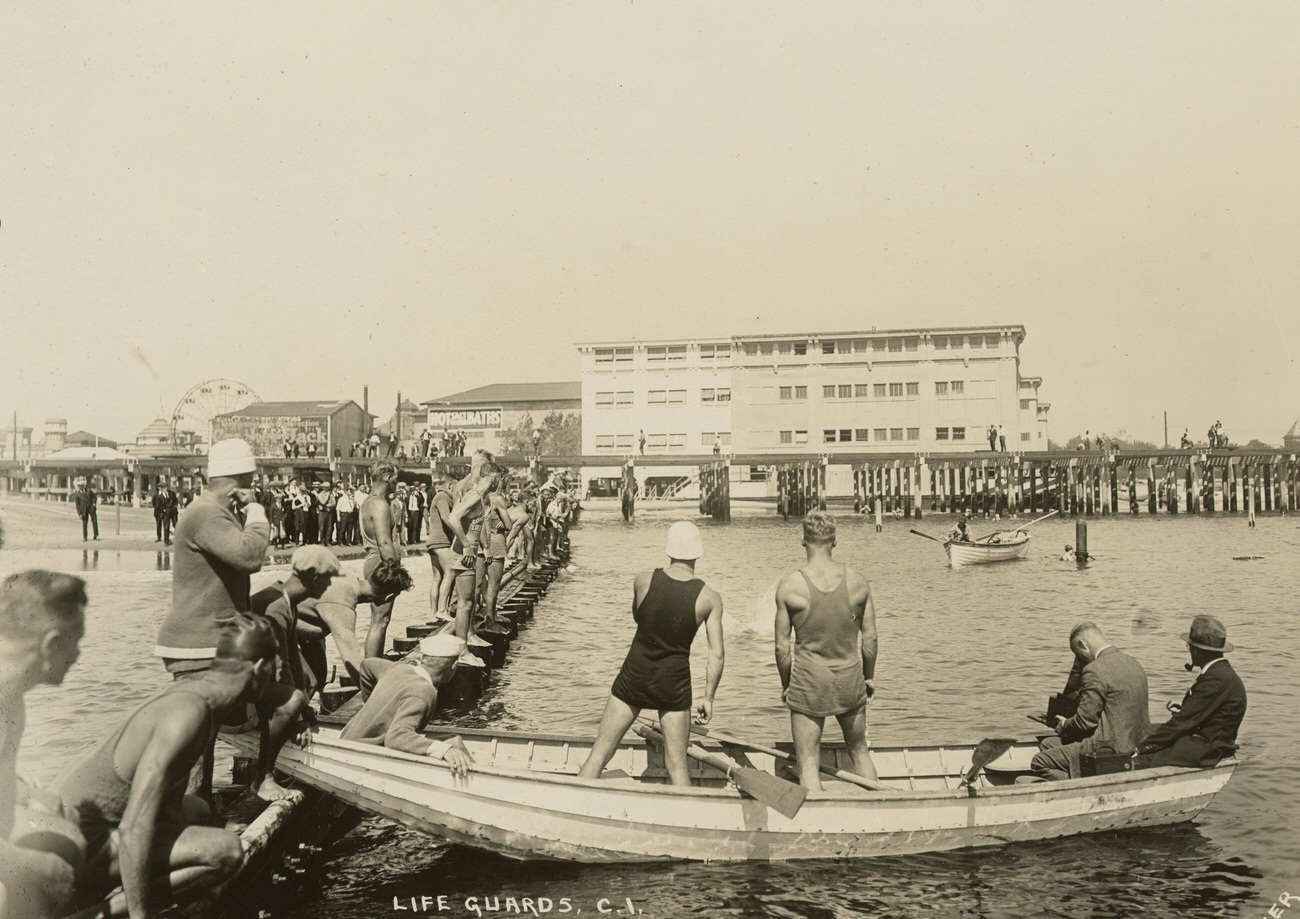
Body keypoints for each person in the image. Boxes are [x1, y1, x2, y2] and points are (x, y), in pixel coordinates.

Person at [59, 617, 276, 919]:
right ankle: (95, 914)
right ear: (261, 667)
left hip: (84, 831)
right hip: (77, 845)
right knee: (227, 851)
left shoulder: (201, 698)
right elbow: (135, 827)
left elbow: (169, 804)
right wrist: (140, 914)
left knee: (198, 809)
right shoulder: (188, 714)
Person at [577, 521, 724, 786]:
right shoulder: (710, 598)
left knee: (600, 752)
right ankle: (690, 821)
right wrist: (709, 697)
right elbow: (717, 655)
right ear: (697, 553)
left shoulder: (643, 580)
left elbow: (639, 617)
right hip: (674, 683)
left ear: (669, 549)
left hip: (635, 673)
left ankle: (573, 806)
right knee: (677, 765)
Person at [0, 572, 86, 919]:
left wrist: (19, 789)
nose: (78, 653)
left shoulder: (10, 694)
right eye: (76, 641)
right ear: (51, 643)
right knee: (43, 867)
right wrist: (23, 863)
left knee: (64, 837)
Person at [774, 512, 878, 790]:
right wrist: (868, 678)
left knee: (807, 763)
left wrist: (787, 684)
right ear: (835, 541)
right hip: (850, 677)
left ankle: (816, 823)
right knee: (859, 751)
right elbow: (870, 639)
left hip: (809, 681)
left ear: (803, 542)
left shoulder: (790, 585)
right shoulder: (858, 582)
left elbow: (781, 646)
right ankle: (876, 810)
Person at [339, 634, 474, 777]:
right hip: (363, 754)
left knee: (454, 740)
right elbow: (396, 737)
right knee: (451, 746)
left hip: (348, 740)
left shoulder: (399, 668)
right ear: (454, 666)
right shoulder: (423, 693)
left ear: (422, 659)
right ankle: (476, 780)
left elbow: (367, 665)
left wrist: (372, 701)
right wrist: (445, 750)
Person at [1030, 623, 1151, 781]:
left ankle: (1081, 786)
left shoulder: (1094, 669)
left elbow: (1085, 722)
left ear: (1082, 645)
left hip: (1107, 748)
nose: (1081, 662)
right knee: (1048, 744)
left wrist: (1065, 724)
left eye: (1079, 655)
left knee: (1039, 762)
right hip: (1135, 743)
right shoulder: (1134, 663)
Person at [1134, 615, 1246, 769]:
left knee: (1134, 761)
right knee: (1148, 734)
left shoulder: (1215, 679)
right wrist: (1184, 709)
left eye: (1190, 647)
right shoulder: (1222, 674)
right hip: (1210, 742)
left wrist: (1141, 748)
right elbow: (1205, 714)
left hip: (1206, 749)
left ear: (1199, 651)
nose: (1189, 651)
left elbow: (1183, 723)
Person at [359, 461, 404, 659]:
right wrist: (396, 573)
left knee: (379, 618)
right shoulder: (379, 504)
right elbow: (385, 542)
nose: (396, 482)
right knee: (380, 619)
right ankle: (371, 666)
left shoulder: (369, 501)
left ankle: (373, 662)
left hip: (373, 560)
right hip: (381, 562)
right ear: (387, 477)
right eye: (395, 478)